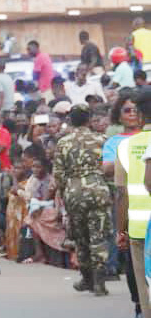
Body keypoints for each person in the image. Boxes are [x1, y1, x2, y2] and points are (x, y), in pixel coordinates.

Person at [52, 104, 109, 295]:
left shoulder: (63, 142)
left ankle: (87, 278)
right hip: (98, 189)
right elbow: (109, 170)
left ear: (70, 120)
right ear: (89, 119)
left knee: (81, 237)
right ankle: (100, 281)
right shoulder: (102, 139)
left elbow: (58, 175)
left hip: (74, 191)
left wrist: (63, 193)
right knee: (98, 235)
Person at [116, 85, 151, 318]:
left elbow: (122, 193)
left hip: (140, 230)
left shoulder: (126, 145)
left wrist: (121, 229)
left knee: (147, 294)